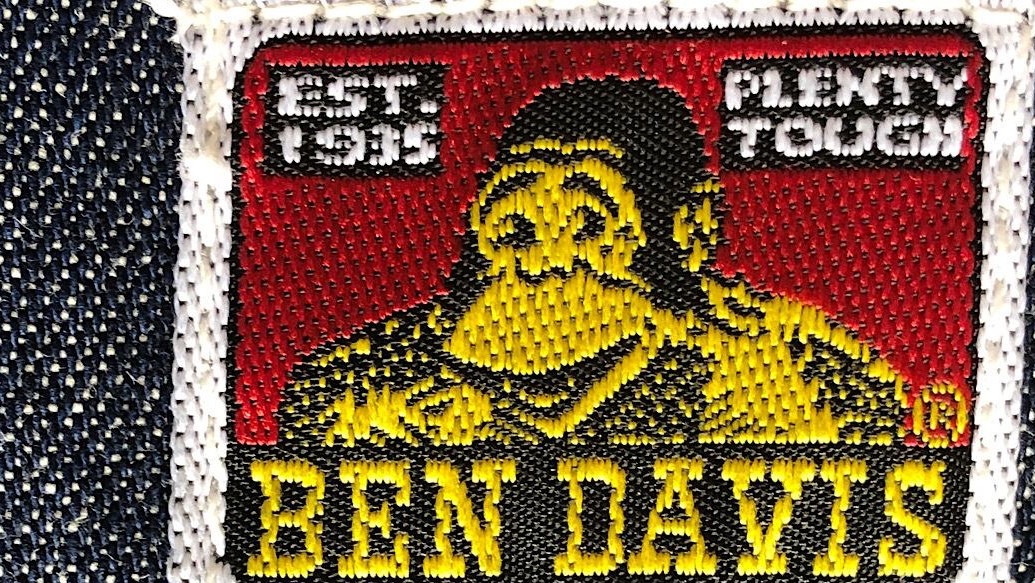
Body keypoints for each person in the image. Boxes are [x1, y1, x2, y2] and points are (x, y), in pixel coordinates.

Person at [280, 77, 911, 449]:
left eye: (587, 229)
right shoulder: (373, 382)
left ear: (691, 229)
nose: (543, 266)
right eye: (516, 229)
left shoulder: (805, 374)